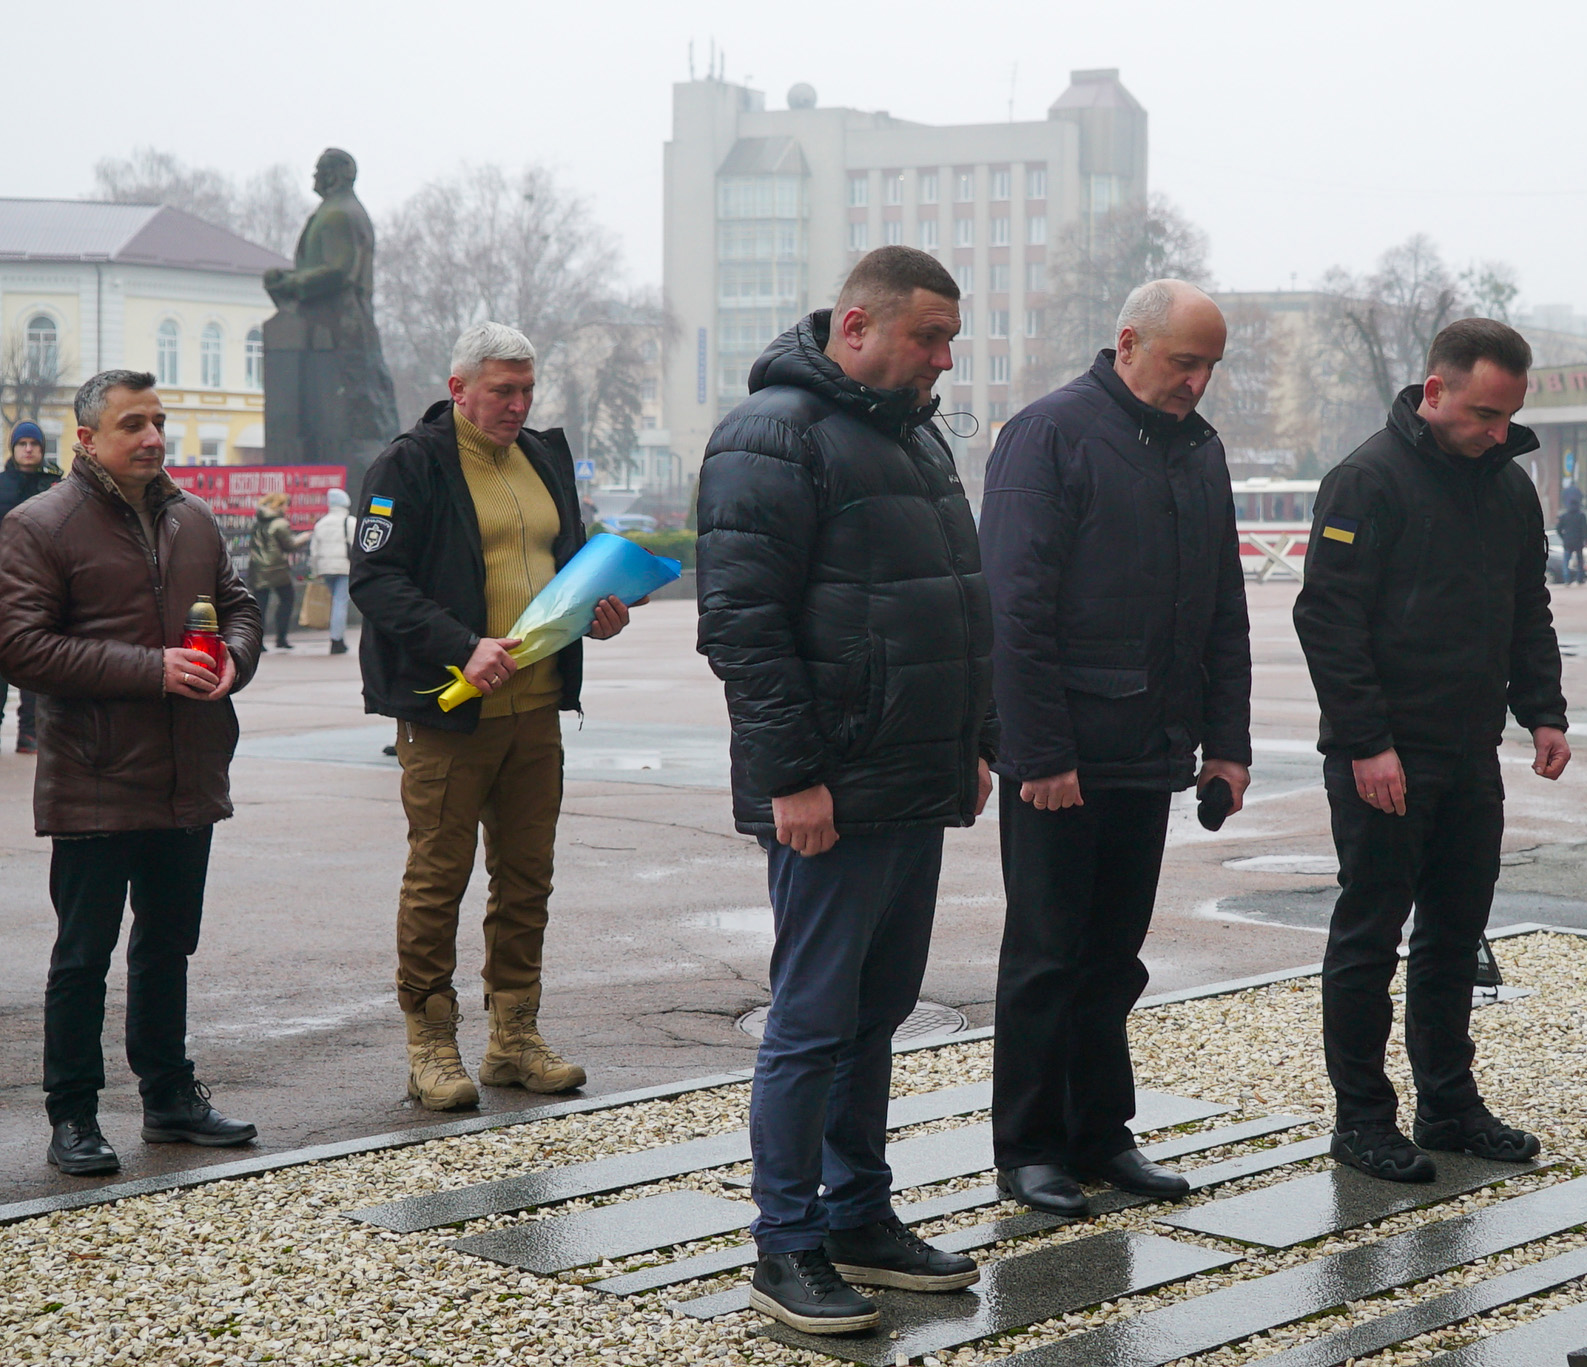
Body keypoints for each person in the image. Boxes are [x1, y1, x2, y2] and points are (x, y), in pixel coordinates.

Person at [696, 245, 995, 1335]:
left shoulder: (908, 431)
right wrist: (793, 776)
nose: (943, 359)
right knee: (814, 1021)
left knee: (877, 1012)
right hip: (830, 788)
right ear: (857, 327)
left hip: (914, 779)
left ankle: (860, 1213)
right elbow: (741, 626)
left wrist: (974, 738)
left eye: (949, 339)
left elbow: (958, 596)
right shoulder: (769, 434)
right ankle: (786, 1243)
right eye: (929, 337)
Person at [979, 279, 1252, 1217]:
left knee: (1114, 957)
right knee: (1048, 954)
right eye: (1186, 362)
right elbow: (1013, 610)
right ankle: (1028, 1146)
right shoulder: (1046, 436)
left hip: (1149, 749)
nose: (1199, 382)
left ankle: (1101, 1133)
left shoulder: (1199, 450)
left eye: (1211, 365)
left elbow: (1223, 602)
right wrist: (1041, 753)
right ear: (1129, 342)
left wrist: (1229, 742)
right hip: (1065, 759)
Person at [1293, 319, 1570, 1186]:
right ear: (1435, 389)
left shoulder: (1508, 491)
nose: (1499, 433)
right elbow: (1327, 622)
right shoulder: (1366, 480)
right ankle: (1362, 1120)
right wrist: (1366, 743)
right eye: (1486, 414)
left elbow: (1529, 608)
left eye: (1510, 417)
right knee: (1370, 936)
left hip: (1468, 750)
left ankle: (1448, 1104)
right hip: (1385, 756)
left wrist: (1544, 711)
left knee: (1455, 934)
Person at [351, 321, 634, 1113]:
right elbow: (375, 578)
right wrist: (461, 645)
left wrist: (597, 610)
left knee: (526, 880)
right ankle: (430, 1042)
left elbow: (562, 567)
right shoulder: (410, 465)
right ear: (459, 389)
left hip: (536, 707)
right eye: (502, 390)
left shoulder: (542, 457)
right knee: (439, 879)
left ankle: (514, 1037)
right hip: (449, 714)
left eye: (525, 390)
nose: (517, 404)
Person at [0, 370, 263, 1176]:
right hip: (94, 773)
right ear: (86, 440)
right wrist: (150, 669)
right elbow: (20, 646)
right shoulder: (39, 524)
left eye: (157, 420)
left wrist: (234, 661)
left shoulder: (194, 518)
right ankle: (73, 1115)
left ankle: (169, 1098)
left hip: (188, 769)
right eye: (131, 425)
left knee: (167, 945)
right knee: (84, 954)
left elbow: (241, 606)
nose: (152, 436)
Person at [0, 420, 63, 752]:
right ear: (13, 449)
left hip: (41, 586)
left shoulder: (57, 485)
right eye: (22, 443)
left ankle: (30, 733)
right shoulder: (1, 485)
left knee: (35, 659)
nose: (28, 449)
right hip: (2, 584)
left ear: (41, 449)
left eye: (34, 444)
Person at [246, 491, 306, 650]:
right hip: (277, 568)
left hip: (258, 568)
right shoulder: (280, 523)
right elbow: (290, 545)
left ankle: (258, 642)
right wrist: (305, 537)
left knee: (260, 606)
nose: (287, 508)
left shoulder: (257, 522)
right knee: (287, 600)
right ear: (278, 505)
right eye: (285, 504)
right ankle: (281, 638)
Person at [308, 487, 356, 653]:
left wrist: (315, 571)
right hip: (344, 567)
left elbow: (314, 550)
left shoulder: (321, 524)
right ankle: (337, 640)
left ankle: (337, 637)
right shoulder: (350, 522)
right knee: (340, 602)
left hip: (325, 568)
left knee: (335, 601)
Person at [1556, 483, 1587, 587]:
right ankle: (1580, 579)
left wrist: (1563, 537)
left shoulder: (1564, 516)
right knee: (1580, 561)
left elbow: (1558, 528)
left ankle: (1567, 579)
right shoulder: (1581, 515)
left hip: (1567, 542)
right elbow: (1585, 529)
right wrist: (1586, 540)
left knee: (1566, 561)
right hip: (1578, 541)